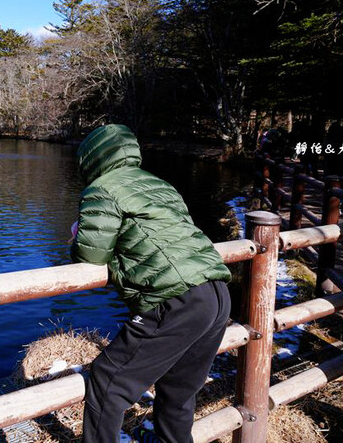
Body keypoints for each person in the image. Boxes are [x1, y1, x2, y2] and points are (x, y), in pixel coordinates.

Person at [70, 124, 232, 443]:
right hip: (216, 293)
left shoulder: (102, 188)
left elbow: (91, 255)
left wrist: (77, 236)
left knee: (107, 383)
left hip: (176, 297)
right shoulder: (161, 185)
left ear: (91, 159)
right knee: (178, 393)